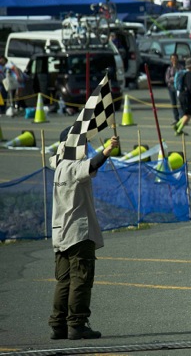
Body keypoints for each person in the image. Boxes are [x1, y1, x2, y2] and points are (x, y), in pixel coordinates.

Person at [48, 126, 119, 340]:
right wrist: (108, 149)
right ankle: (77, 324)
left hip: (60, 232)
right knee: (81, 279)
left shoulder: (58, 164)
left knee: (64, 280)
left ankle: (58, 324)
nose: (84, 146)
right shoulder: (72, 166)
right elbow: (92, 165)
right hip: (77, 231)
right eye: (81, 143)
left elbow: (83, 164)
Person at [174, 58, 191, 135]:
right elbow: (190, 88)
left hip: (182, 94)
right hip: (186, 96)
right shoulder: (189, 74)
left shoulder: (184, 73)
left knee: (189, 113)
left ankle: (177, 125)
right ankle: (179, 129)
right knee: (188, 114)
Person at [165, 53, 184, 125]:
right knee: (173, 103)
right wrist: (175, 79)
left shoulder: (181, 67)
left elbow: (182, 76)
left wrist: (174, 79)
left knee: (180, 103)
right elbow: (167, 79)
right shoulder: (169, 68)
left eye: (175, 59)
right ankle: (176, 119)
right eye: (172, 59)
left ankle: (182, 118)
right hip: (171, 87)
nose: (174, 60)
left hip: (178, 87)